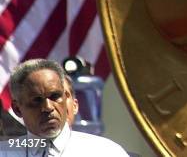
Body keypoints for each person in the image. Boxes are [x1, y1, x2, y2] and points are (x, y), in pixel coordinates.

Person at [0, 59, 129, 156]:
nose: (48, 107)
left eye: (55, 96)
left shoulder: (105, 151)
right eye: (37, 100)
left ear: (67, 97)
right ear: (17, 109)